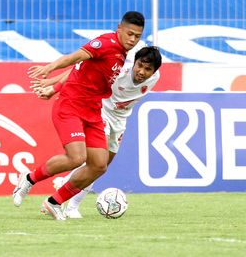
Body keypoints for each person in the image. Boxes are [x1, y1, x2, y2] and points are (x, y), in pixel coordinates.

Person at [13, 11, 145, 220]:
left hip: (93, 111)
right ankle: (29, 178)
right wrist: (50, 68)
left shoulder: (122, 53)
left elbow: (79, 67)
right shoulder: (106, 43)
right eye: (129, 34)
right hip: (71, 106)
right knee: (77, 157)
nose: (132, 39)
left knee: (99, 165)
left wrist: (53, 85)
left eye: (137, 36)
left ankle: (54, 202)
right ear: (119, 29)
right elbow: (74, 57)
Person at [34, 46, 161, 218]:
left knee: (101, 167)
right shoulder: (121, 67)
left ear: (154, 72)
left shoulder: (155, 77)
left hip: (120, 120)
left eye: (148, 69)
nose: (141, 72)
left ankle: (72, 205)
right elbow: (79, 67)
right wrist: (54, 87)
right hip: (100, 110)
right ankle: (65, 194)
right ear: (134, 62)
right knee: (96, 162)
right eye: (140, 65)